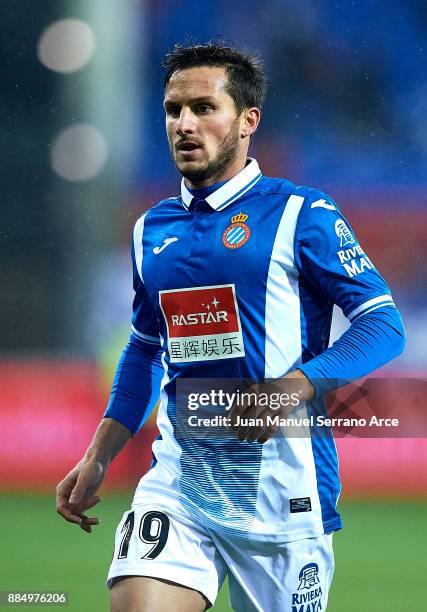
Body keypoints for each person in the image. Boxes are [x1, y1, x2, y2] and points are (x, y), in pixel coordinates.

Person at [56, 42, 405, 612]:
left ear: (247, 121)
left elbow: (383, 326)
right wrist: (98, 456)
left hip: (285, 491)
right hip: (181, 481)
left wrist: (290, 389)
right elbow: (146, 349)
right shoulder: (152, 229)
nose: (184, 125)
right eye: (173, 111)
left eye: (202, 108)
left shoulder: (302, 214)